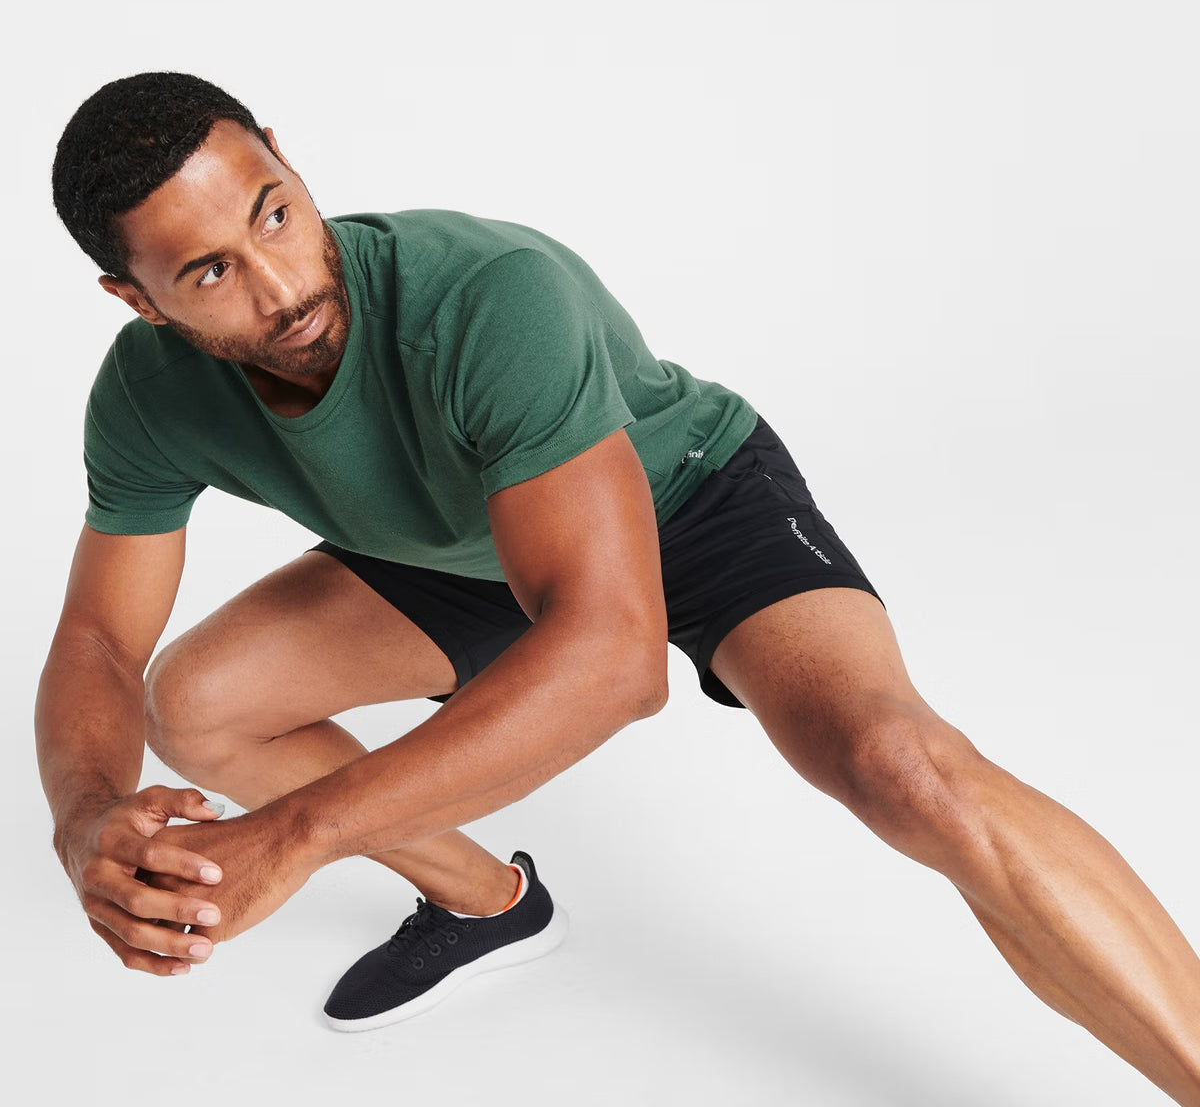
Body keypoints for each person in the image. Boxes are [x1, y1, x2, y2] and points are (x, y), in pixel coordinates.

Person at [36, 71, 1200, 1102]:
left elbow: (612, 663)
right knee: (198, 702)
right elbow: (98, 639)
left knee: (903, 768)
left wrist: (297, 837)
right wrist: (85, 821)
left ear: (288, 161)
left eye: (275, 212)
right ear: (136, 299)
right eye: (209, 272)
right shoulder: (146, 396)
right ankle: (489, 905)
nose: (282, 284)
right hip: (463, 549)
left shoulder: (485, 293)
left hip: (686, 499)